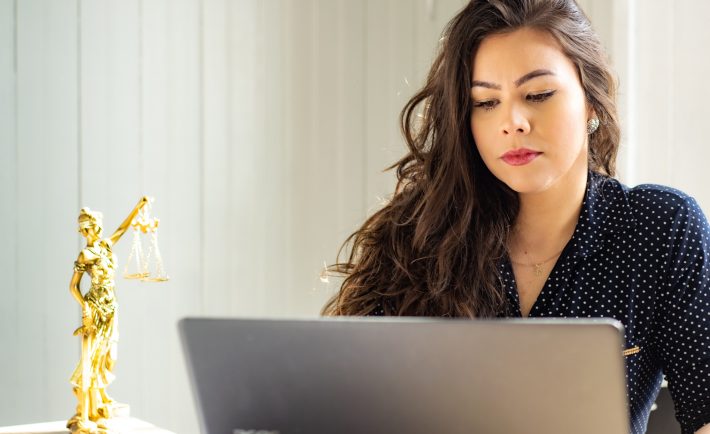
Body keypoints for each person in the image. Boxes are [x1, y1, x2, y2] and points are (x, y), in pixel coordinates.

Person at [320, 1, 710, 433]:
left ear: (592, 102)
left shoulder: (658, 226)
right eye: (486, 102)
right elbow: (348, 409)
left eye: (538, 94)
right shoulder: (416, 235)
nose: (513, 122)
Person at [67, 197, 148, 434]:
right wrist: (85, 307)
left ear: (97, 227)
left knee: (109, 357)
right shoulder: (86, 255)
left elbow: (122, 229)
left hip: (112, 307)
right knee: (90, 359)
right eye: (82, 229)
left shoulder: (105, 245)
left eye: (88, 228)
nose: (85, 232)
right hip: (95, 308)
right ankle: (85, 417)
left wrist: (137, 208)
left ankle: (97, 406)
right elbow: (73, 287)